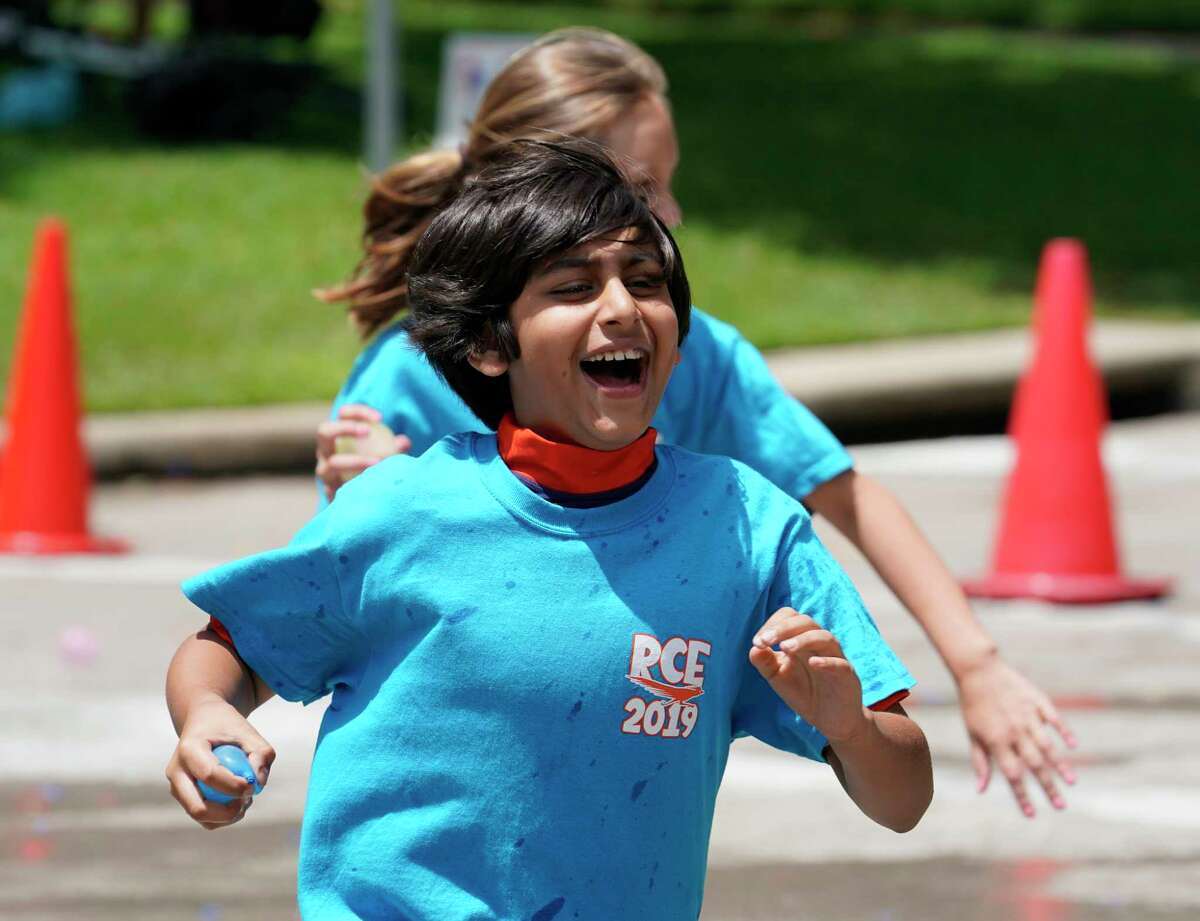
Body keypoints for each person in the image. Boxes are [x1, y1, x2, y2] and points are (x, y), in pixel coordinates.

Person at [316, 28, 1074, 818]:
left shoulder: (692, 355)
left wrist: (977, 666)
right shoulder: (410, 373)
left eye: (667, 183)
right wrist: (362, 495)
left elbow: (848, 496)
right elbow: (329, 601)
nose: (673, 213)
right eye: (645, 186)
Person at [165, 141, 933, 920]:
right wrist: (207, 713)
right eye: (574, 286)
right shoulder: (402, 509)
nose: (623, 308)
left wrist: (851, 727)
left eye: (645, 281)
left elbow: (904, 798)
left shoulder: (748, 528)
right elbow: (227, 649)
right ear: (489, 343)